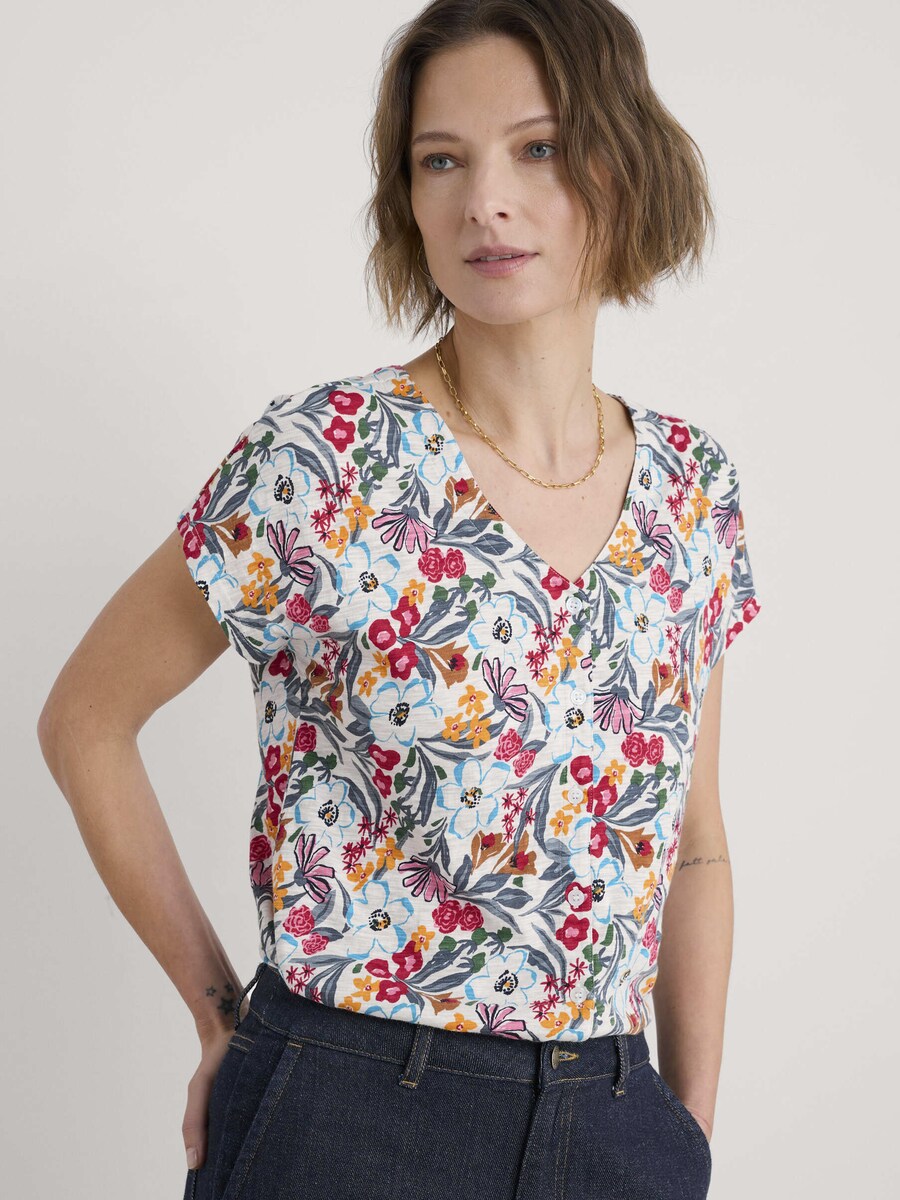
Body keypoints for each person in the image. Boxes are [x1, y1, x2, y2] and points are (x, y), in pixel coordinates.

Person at [37, 2, 762, 1197]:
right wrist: (222, 1015)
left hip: (616, 1120)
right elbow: (85, 721)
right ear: (407, 198)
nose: (486, 201)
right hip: (350, 1111)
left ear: (625, 164)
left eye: (538, 147)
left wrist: (685, 1132)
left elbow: (697, 847)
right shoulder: (322, 458)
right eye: (442, 160)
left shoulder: (693, 489)